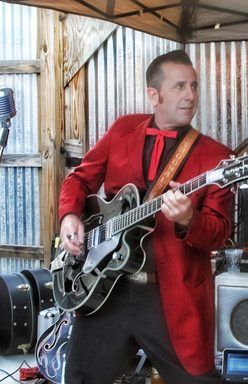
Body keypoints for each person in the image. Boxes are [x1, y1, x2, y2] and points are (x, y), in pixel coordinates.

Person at [58, 50, 233, 383]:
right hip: (107, 289)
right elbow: (79, 180)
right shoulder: (123, 129)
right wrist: (69, 216)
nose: (191, 95)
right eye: (180, 86)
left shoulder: (217, 158)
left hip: (172, 297)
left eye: (194, 86)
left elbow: (219, 232)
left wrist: (189, 220)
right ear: (154, 95)